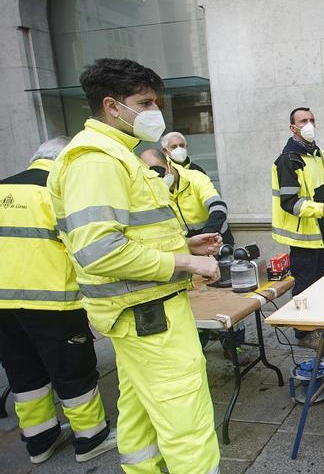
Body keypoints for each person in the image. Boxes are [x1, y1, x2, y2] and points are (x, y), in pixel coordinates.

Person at [47, 58, 223, 473]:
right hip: (148, 316)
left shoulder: (117, 157)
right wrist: (184, 262)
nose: (153, 113)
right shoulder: (96, 161)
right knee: (188, 423)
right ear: (111, 106)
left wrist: (185, 243)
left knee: (141, 414)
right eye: (144, 103)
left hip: (141, 315)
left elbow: (132, 235)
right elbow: (99, 250)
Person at [0, 137, 118, 465]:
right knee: (73, 372)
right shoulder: (57, 191)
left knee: (24, 375)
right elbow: (83, 250)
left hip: (2, 309)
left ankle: (40, 442)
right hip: (54, 304)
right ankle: (91, 438)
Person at [271, 107, 324, 349]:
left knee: (321, 278)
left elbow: (317, 185)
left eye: (312, 119)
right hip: (302, 234)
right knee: (304, 283)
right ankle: (304, 334)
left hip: (318, 229)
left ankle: (318, 324)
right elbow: (289, 201)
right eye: (303, 121)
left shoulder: (316, 153)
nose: (309, 123)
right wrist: (321, 209)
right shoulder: (289, 159)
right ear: (293, 128)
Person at [140, 148, 234, 246]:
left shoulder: (195, 177)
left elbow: (218, 207)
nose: (158, 178)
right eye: (151, 175)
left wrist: (207, 235)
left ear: (169, 163)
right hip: (189, 245)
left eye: (159, 171)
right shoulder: (153, 191)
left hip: (218, 238)